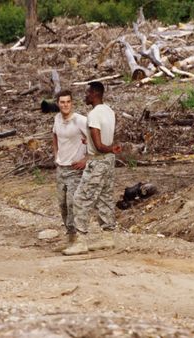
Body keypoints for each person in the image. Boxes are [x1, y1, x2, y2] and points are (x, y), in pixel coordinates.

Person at [63, 82, 122, 256]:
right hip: (109, 162)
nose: (85, 95)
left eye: (87, 92)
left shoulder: (94, 114)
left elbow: (99, 144)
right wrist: (105, 147)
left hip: (98, 161)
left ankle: (80, 240)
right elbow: (103, 137)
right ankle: (107, 236)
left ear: (95, 93)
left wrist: (108, 148)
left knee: (81, 198)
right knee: (104, 197)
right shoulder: (109, 111)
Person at [52, 90, 88, 251]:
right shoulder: (57, 119)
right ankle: (70, 237)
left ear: (72, 103)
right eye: (62, 102)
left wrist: (86, 159)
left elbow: (94, 139)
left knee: (73, 203)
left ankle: (80, 239)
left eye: (68, 102)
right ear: (58, 104)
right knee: (62, 204)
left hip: (75, 169)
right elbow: (54, 136)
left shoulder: (80, 120)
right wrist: (56, 155)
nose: (65, 105)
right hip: (61, 168)